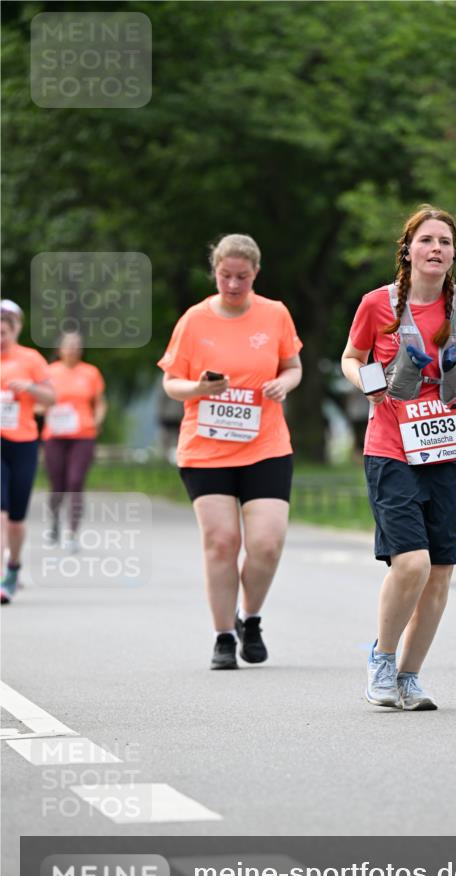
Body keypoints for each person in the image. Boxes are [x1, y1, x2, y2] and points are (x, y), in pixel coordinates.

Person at [341, 205, 456, 711]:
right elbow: (350, 356)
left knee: (441, 570)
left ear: (454, 253)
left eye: (445, 242)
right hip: (391, 447)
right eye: (426, 240)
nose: (436, 249)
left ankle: (409, 677)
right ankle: (382, 660)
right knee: (412, 563)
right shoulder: (377, 304)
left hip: (447, 449)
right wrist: (370, 384)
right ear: (408, 250)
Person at [158, 233, 303, 670]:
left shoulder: (275, 314)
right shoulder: (194, 320)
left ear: (255, 273)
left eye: (242, 276)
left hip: (266, 445)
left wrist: (285, 383)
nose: (234, 284)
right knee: (222, 542)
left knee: (267, 543)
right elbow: (171, 382)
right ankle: (223, 636)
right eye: (225, 276)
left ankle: (250, 617)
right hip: (207, 449)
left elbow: (292, 366)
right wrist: (200, 388)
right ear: (215, 272)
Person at [1, 299, 55, 604]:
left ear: (14, 331)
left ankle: (13, 567)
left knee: (16, 520)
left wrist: (29, 388)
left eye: (3, 333)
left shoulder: (30, 359)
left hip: (22, 443)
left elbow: (51, 398)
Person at [42, 329, 107, 552]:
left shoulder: (91, 373)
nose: (73, 349)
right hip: (55, 435)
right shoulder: (48, 372)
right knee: (57, 485)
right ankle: (54, 523)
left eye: (77, 345)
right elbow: (37, 403)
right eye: (69, 344)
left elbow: (100, 403)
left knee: (75, 482)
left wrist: (97, 421)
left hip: (83, 434)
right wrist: (43, 409)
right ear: (59, 348)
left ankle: (72, 533)